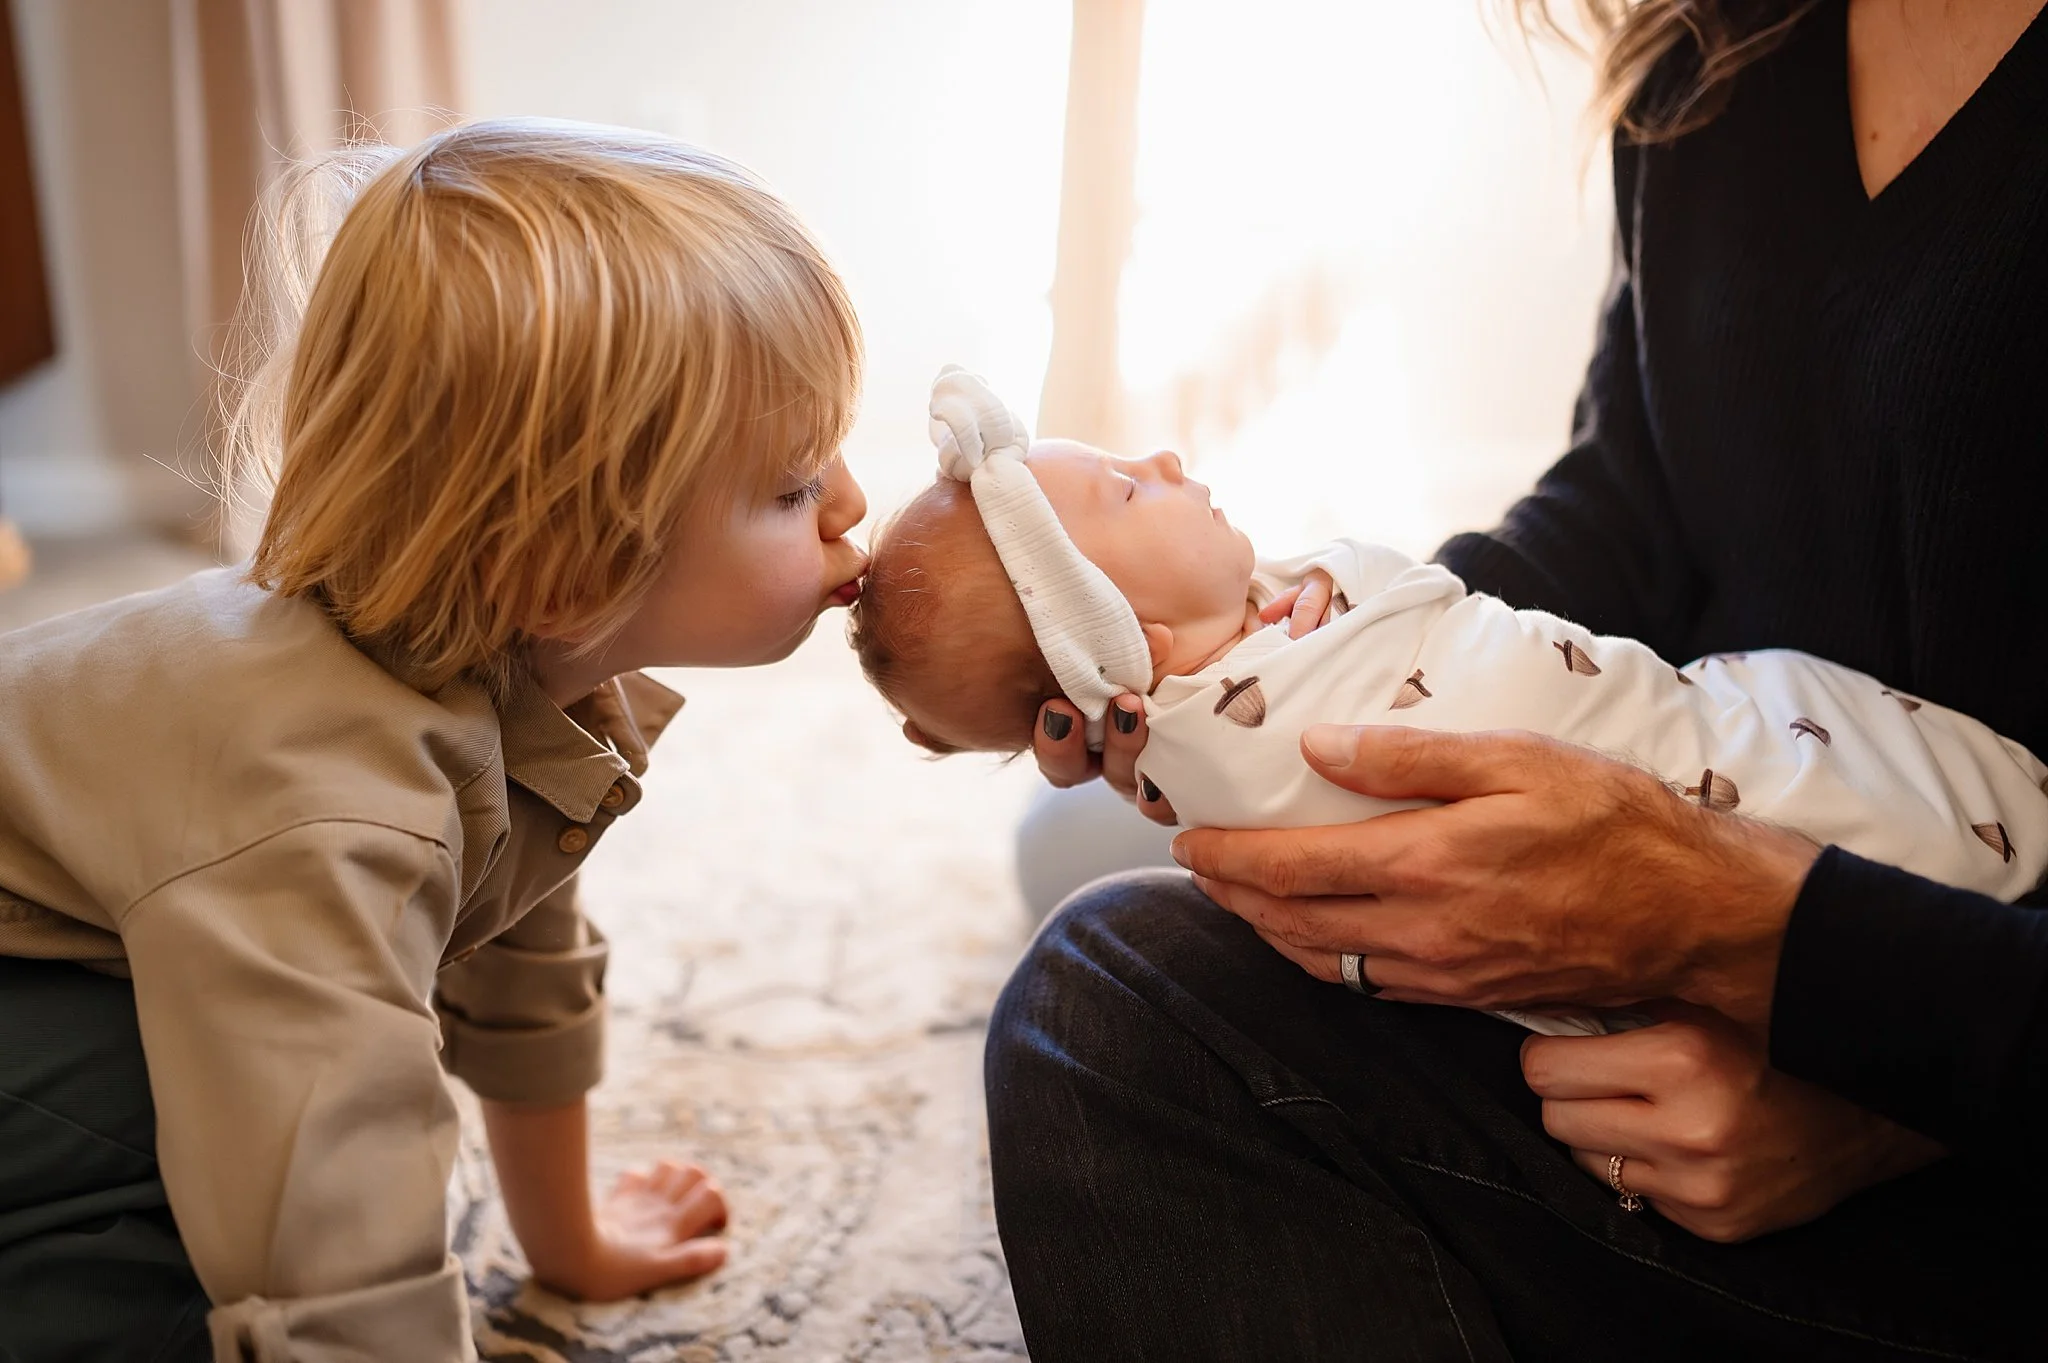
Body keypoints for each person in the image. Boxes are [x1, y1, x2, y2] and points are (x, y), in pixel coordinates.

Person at [986, 0, 2048, 1358]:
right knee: (1085, 862)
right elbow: (1636, 494)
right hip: (1719, 919)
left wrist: (1879, 1069)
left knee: (1107, 1000)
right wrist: (1341, 668)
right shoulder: (1719, 45)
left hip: (1977, 1059)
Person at [0, 120, 869, 1361]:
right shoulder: (324, 807)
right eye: (789, 489)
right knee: (216, 1123)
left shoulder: (530, 682)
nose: (849, 504)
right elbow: (325, 1184)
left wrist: (567, 1244)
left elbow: (519, 954)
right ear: (566, 571)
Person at [852, 373, 2047, 940]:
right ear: (1141, 649)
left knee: (1095, 953)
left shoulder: (1268, 636)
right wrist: (1179, 749)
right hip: (1620, 678)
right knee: (1066, 850)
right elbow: (1610, 491)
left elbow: (1429, 626)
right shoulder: (1708, 51)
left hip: (1695, 779)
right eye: (1123, 486)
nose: (1163, 457)